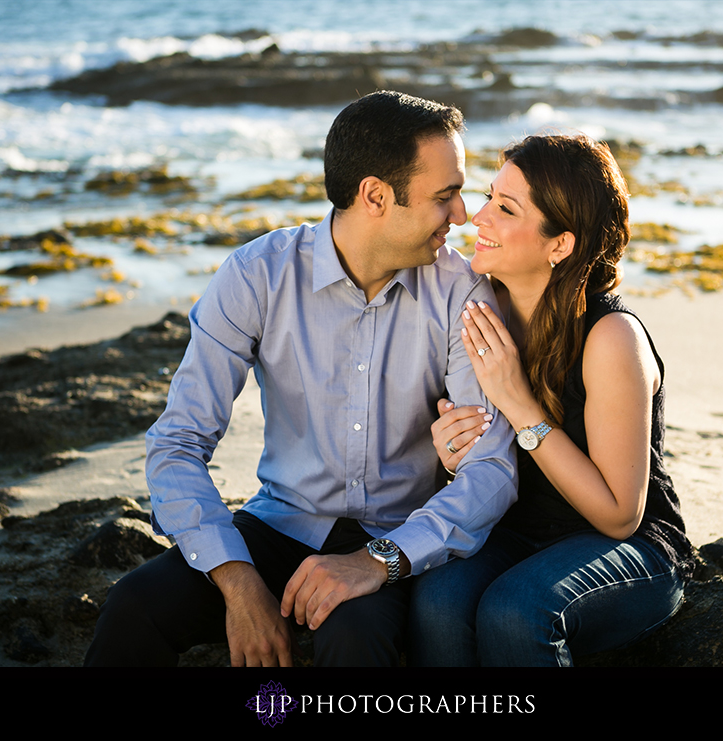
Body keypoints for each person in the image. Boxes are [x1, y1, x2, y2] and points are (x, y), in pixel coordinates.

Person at [83, 90, 517, 667]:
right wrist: (239, 585)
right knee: (135, 606)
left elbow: (490, 470)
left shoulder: (460, 292)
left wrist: (378, 561)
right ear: (375, 196)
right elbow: (177, 443)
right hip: (278, 524)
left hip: (392, 538)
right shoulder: (256, 276)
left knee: (353, 640)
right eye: (445, 196)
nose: (462, 215)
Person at [410, 134, 695, 667]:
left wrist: (521, 407)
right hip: (518, 532)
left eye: (505, 208)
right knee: (437, 600)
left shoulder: (611, 338)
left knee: (516, 611)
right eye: (489, 196)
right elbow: (481, 461)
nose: (477, 217)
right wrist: (451, 455)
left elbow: (618, 515)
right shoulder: (478, 309)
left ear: (559, 244)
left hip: (628, 549)